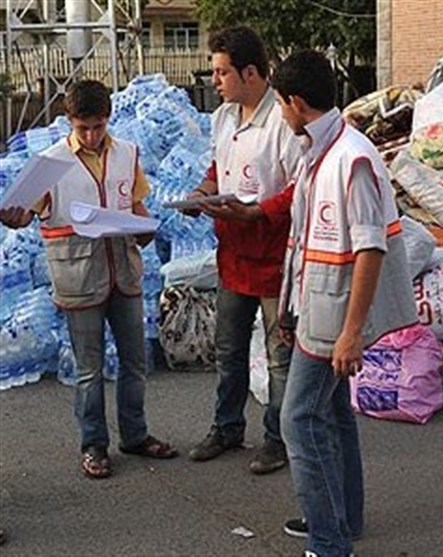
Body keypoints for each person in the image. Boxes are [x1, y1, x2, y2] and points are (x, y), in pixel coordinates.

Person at [272, 50, 418, 557]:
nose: (281, 115)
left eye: (280, 105)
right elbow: (306, 241)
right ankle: (339, 519)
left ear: (295, 102)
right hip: (314, 309)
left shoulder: (350, 158)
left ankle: (328, 541)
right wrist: (288, 309)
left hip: (334, 318)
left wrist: (353, 332)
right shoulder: (320, 152)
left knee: (298, 420)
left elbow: (370, 247)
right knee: (332, 416)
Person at [0, 80, 177, 479]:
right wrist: (14, 215)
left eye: (98, 126)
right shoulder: (51, 161)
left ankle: (135, 434)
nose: (92, 136)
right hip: (78, 274)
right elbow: (29, 212)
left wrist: (145, 227)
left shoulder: (126, 154)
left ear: (108, 119)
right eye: (83, 128)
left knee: (134, 362)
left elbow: (136, 204)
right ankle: (94, 444)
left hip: (124, 272)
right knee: (89, 368)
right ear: (69, 122)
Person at [182, 26, 303, 475]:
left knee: (279, 358)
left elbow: (299, 189)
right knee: (228, 351)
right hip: (232, 255)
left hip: (272, 258)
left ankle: (279, 438)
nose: (214, 80)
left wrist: (258, 213)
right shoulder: (224, 117)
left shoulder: (283, 121)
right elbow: (219, 166)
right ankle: (227, 427)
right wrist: (202, 193)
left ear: (249, 72)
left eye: (221, 72)